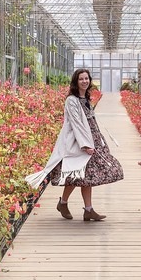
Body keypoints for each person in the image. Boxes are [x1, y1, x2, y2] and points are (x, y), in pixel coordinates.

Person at [25, 69, 124, 221]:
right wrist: (85, 145)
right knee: (75, 174)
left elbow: (92, 121)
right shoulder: (72, 100)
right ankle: (64, 203)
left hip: (93, 139)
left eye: (87, 78)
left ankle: (87, 209)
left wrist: (100, 140)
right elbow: (76, 124)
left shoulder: (86, 98)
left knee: (87, 175)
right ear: (76, 82)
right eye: (81, 79)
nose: (85, 81)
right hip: (80, 142)